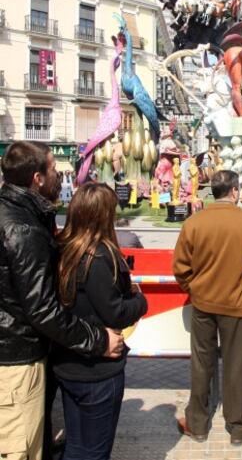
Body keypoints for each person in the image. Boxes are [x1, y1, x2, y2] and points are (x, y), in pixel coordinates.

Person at [0, 142, 123, 460]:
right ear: (37, 178)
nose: (60, 175)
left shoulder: (25, 214)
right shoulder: (22, 228)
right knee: (19, 447)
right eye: (55, 169)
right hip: (17, 358)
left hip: (27, 351)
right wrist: (98, 340)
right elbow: (42, 308)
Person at [173, 170, 242, 445]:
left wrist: (193, 288)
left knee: (201, 364)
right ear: (234, 192)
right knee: (236, 366)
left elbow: (180, 267)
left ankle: (197, 423)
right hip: (236, 306)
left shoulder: (194, 222)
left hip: (203, 304)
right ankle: (239, 426)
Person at [53, 183, 148, 460]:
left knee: (76, 446)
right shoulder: (99, 255)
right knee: (94, 451)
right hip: (98, 368)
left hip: (69, 362)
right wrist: (140, 301)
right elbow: (115, 312)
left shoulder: (64, 248)